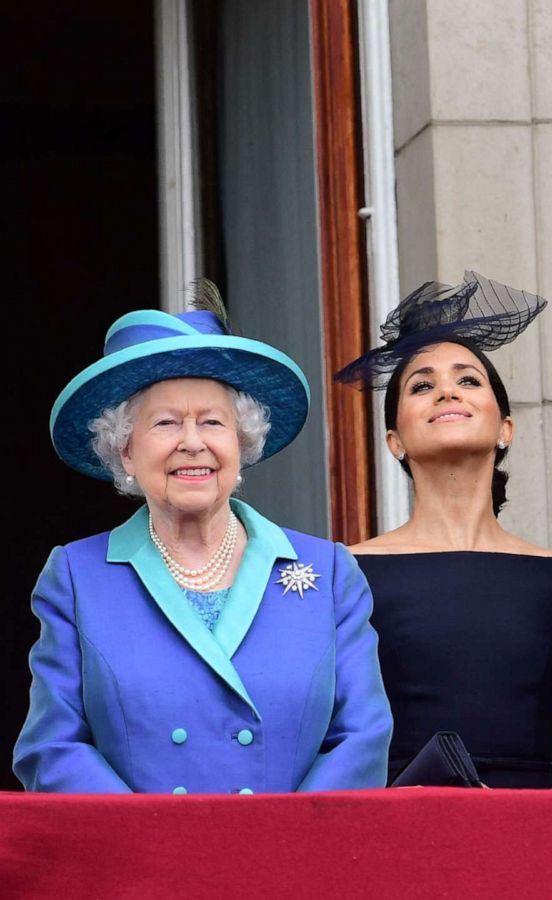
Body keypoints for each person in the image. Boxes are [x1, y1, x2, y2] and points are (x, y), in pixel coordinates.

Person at [16, 290, 392, 794]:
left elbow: (362, 739)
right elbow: (52, 748)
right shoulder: (77, 575)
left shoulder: (327, 571)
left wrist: (287, 844)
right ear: (125, 452)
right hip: (141, 863)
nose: (192, 442)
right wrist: (156, 845)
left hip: (288, 861)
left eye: (213, 422)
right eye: (166, 423)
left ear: (242, 443)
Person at [337, 272, 552, 788]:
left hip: (530, 847)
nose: (446, 391)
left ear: (505, 429)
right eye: (422, 385)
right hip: (389, 841)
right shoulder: (345, 573)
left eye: (468, 380)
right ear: (394, 440)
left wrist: (532, 824)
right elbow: (324, 744)